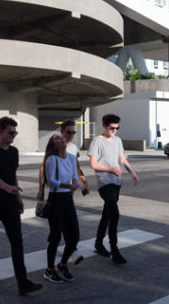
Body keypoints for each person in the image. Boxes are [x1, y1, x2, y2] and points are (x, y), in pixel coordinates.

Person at [0, 116, 42, 296]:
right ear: (0, 132)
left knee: (17, 241)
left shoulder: (14, 152)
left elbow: (12, 175)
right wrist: (8, 188)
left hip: (10, 204)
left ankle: (22, 282)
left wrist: (18, 197)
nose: (13, 135)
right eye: (10, 132)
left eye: (15, 132)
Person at [88, 113, 138, 264]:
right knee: (114, 214)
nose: (114, 131)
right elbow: (93, 164)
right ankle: (114, 250)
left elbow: (122, 159)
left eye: (117, 128)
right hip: (104, 182)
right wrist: (111, 169)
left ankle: (98, 243)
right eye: (112, 128)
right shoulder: (97, 141)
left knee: (107, 214)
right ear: (104, 126)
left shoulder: (117, 140)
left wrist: (132, 172)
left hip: (116, 182)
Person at [40, 134, 81, 283]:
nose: (61, 139)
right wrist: (68, 186)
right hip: (56, 199)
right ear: (54, 145)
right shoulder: (52, 159)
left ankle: (62, 264)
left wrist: (75, 182)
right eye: (56, 139)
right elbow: (51, 181)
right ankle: (49, 269)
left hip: (68, 199)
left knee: (75, 236)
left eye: (61, 138)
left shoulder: (71, 157)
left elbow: (75, 175)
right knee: (56, 237)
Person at [37, 120, 89, 200]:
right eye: (69, 132)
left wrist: (84, 182)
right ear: (62, 132)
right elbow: (43, 168)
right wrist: (41, 189)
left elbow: (77, 167)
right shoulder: (55, 147)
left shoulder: (74, 147)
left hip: (70, 188)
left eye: (73, 132)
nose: (71, 135)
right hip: (57, 189)